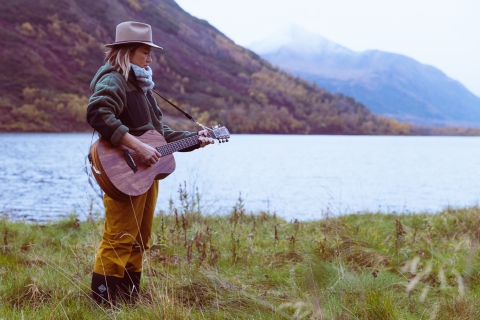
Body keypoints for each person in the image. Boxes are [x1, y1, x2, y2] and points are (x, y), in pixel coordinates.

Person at [86, 21, 214, 306]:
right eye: (145, 51)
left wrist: (197, 138)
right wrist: (137, 147)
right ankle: (102, 304)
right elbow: (98, 113)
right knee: (119, 236)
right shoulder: (113, 79)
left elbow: (160, 135)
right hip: (122, 170)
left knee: (140, 238)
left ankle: (129, 301)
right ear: (128, 51)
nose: (150, 58)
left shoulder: (141, 86)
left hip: (143, 173)